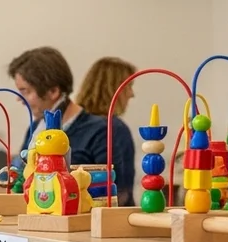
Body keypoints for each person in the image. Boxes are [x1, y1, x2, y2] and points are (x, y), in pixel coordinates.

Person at [8, 47, 136, 205]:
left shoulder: (102, 130)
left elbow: (119, 194)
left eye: (25, 91)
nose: (20, 99)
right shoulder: (35, 128)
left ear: (53, 91)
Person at [77, 56, 138, 205]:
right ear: (113, 89)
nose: (132, 94)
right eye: (129, 86)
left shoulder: (72, 125)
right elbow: (121, 190)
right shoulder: (115, 128)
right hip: (108, 220)